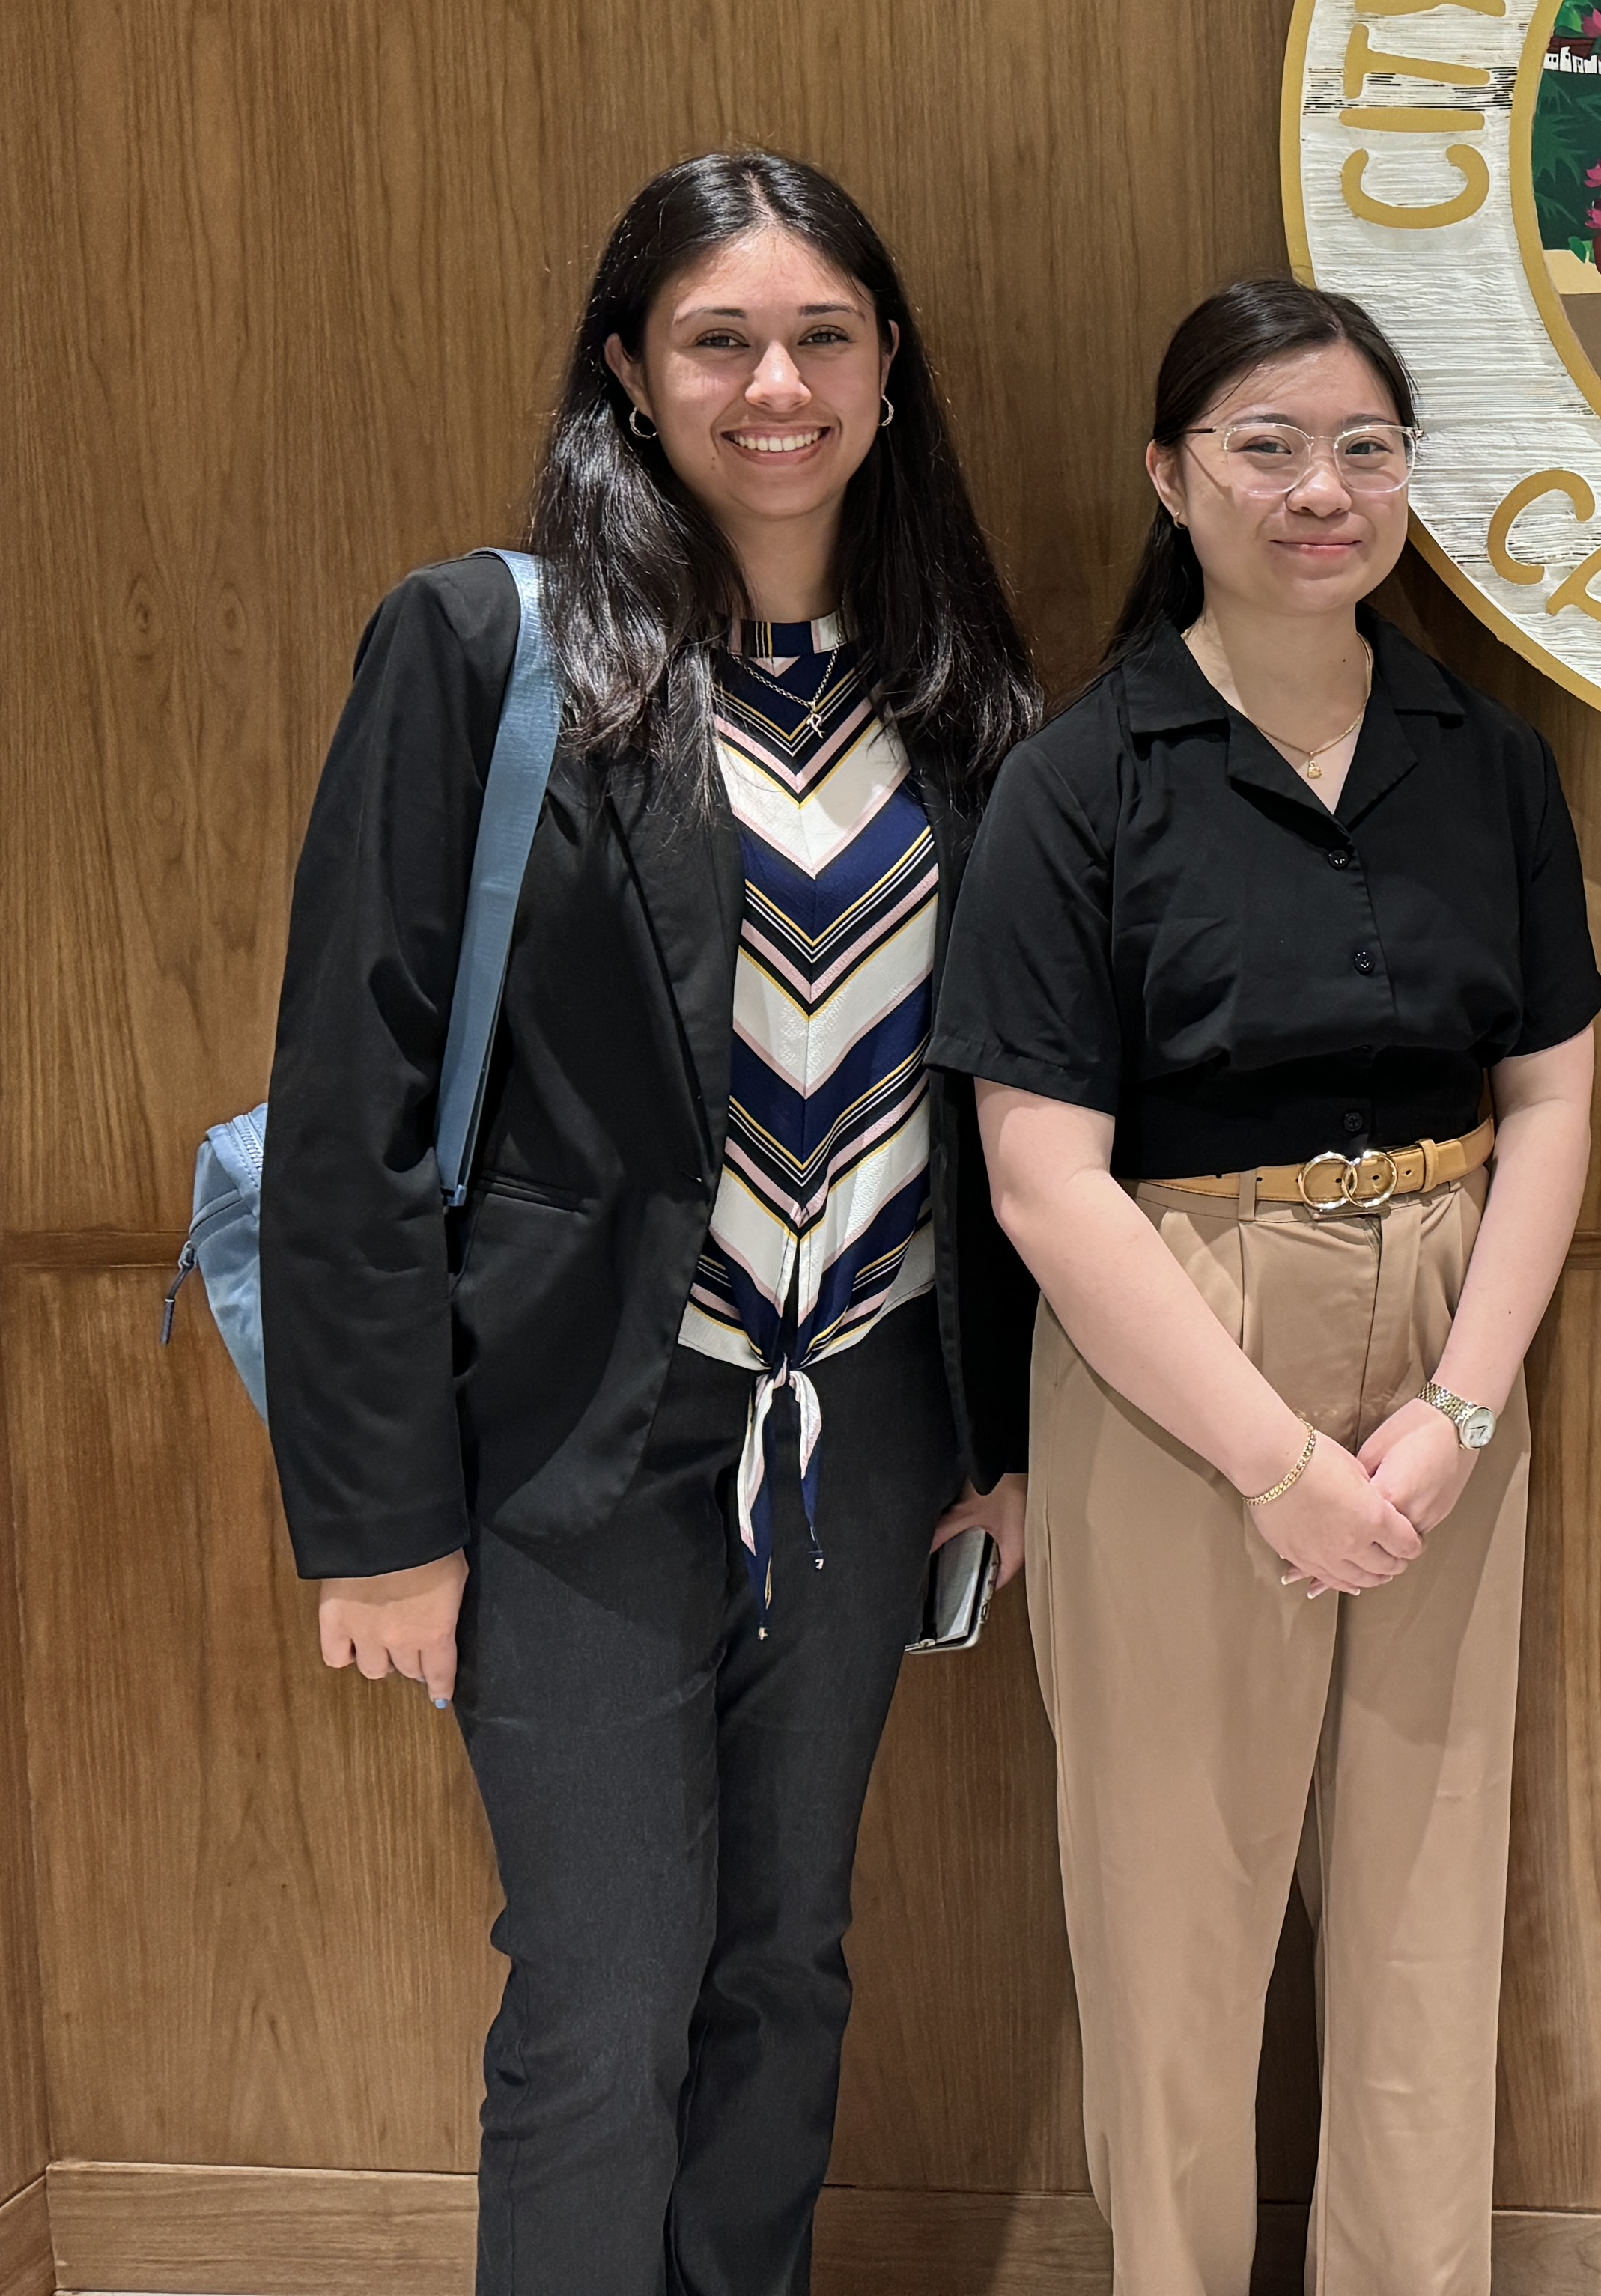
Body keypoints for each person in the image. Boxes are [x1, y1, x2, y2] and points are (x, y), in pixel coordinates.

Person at [266, 149, 1044, 2294]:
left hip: (861, 1424)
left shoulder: (957, 687)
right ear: (629, 367)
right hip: (576, 1442)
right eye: (719, 339)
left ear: (889, 366)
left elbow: (992, 1100)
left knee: (787, 1961)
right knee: (606, 1991)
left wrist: (994, 1437)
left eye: (821, 336)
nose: (775, 384)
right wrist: (375, 1523)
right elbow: (351, 1104)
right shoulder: (485, 647)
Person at [936, 278, 1601, 2296]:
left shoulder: (1484, 760)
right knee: (1173, 1918)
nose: (1325, 491)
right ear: (1172, 476)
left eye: (1365, 450)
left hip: (1452, 1324)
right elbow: (1041, 1179)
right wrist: (1274, 1460)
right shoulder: (1080, 780)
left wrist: (1461, 1405)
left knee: (1426, 1911)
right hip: (1175, 1342)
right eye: (1270, 447)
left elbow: (1554, 1096)